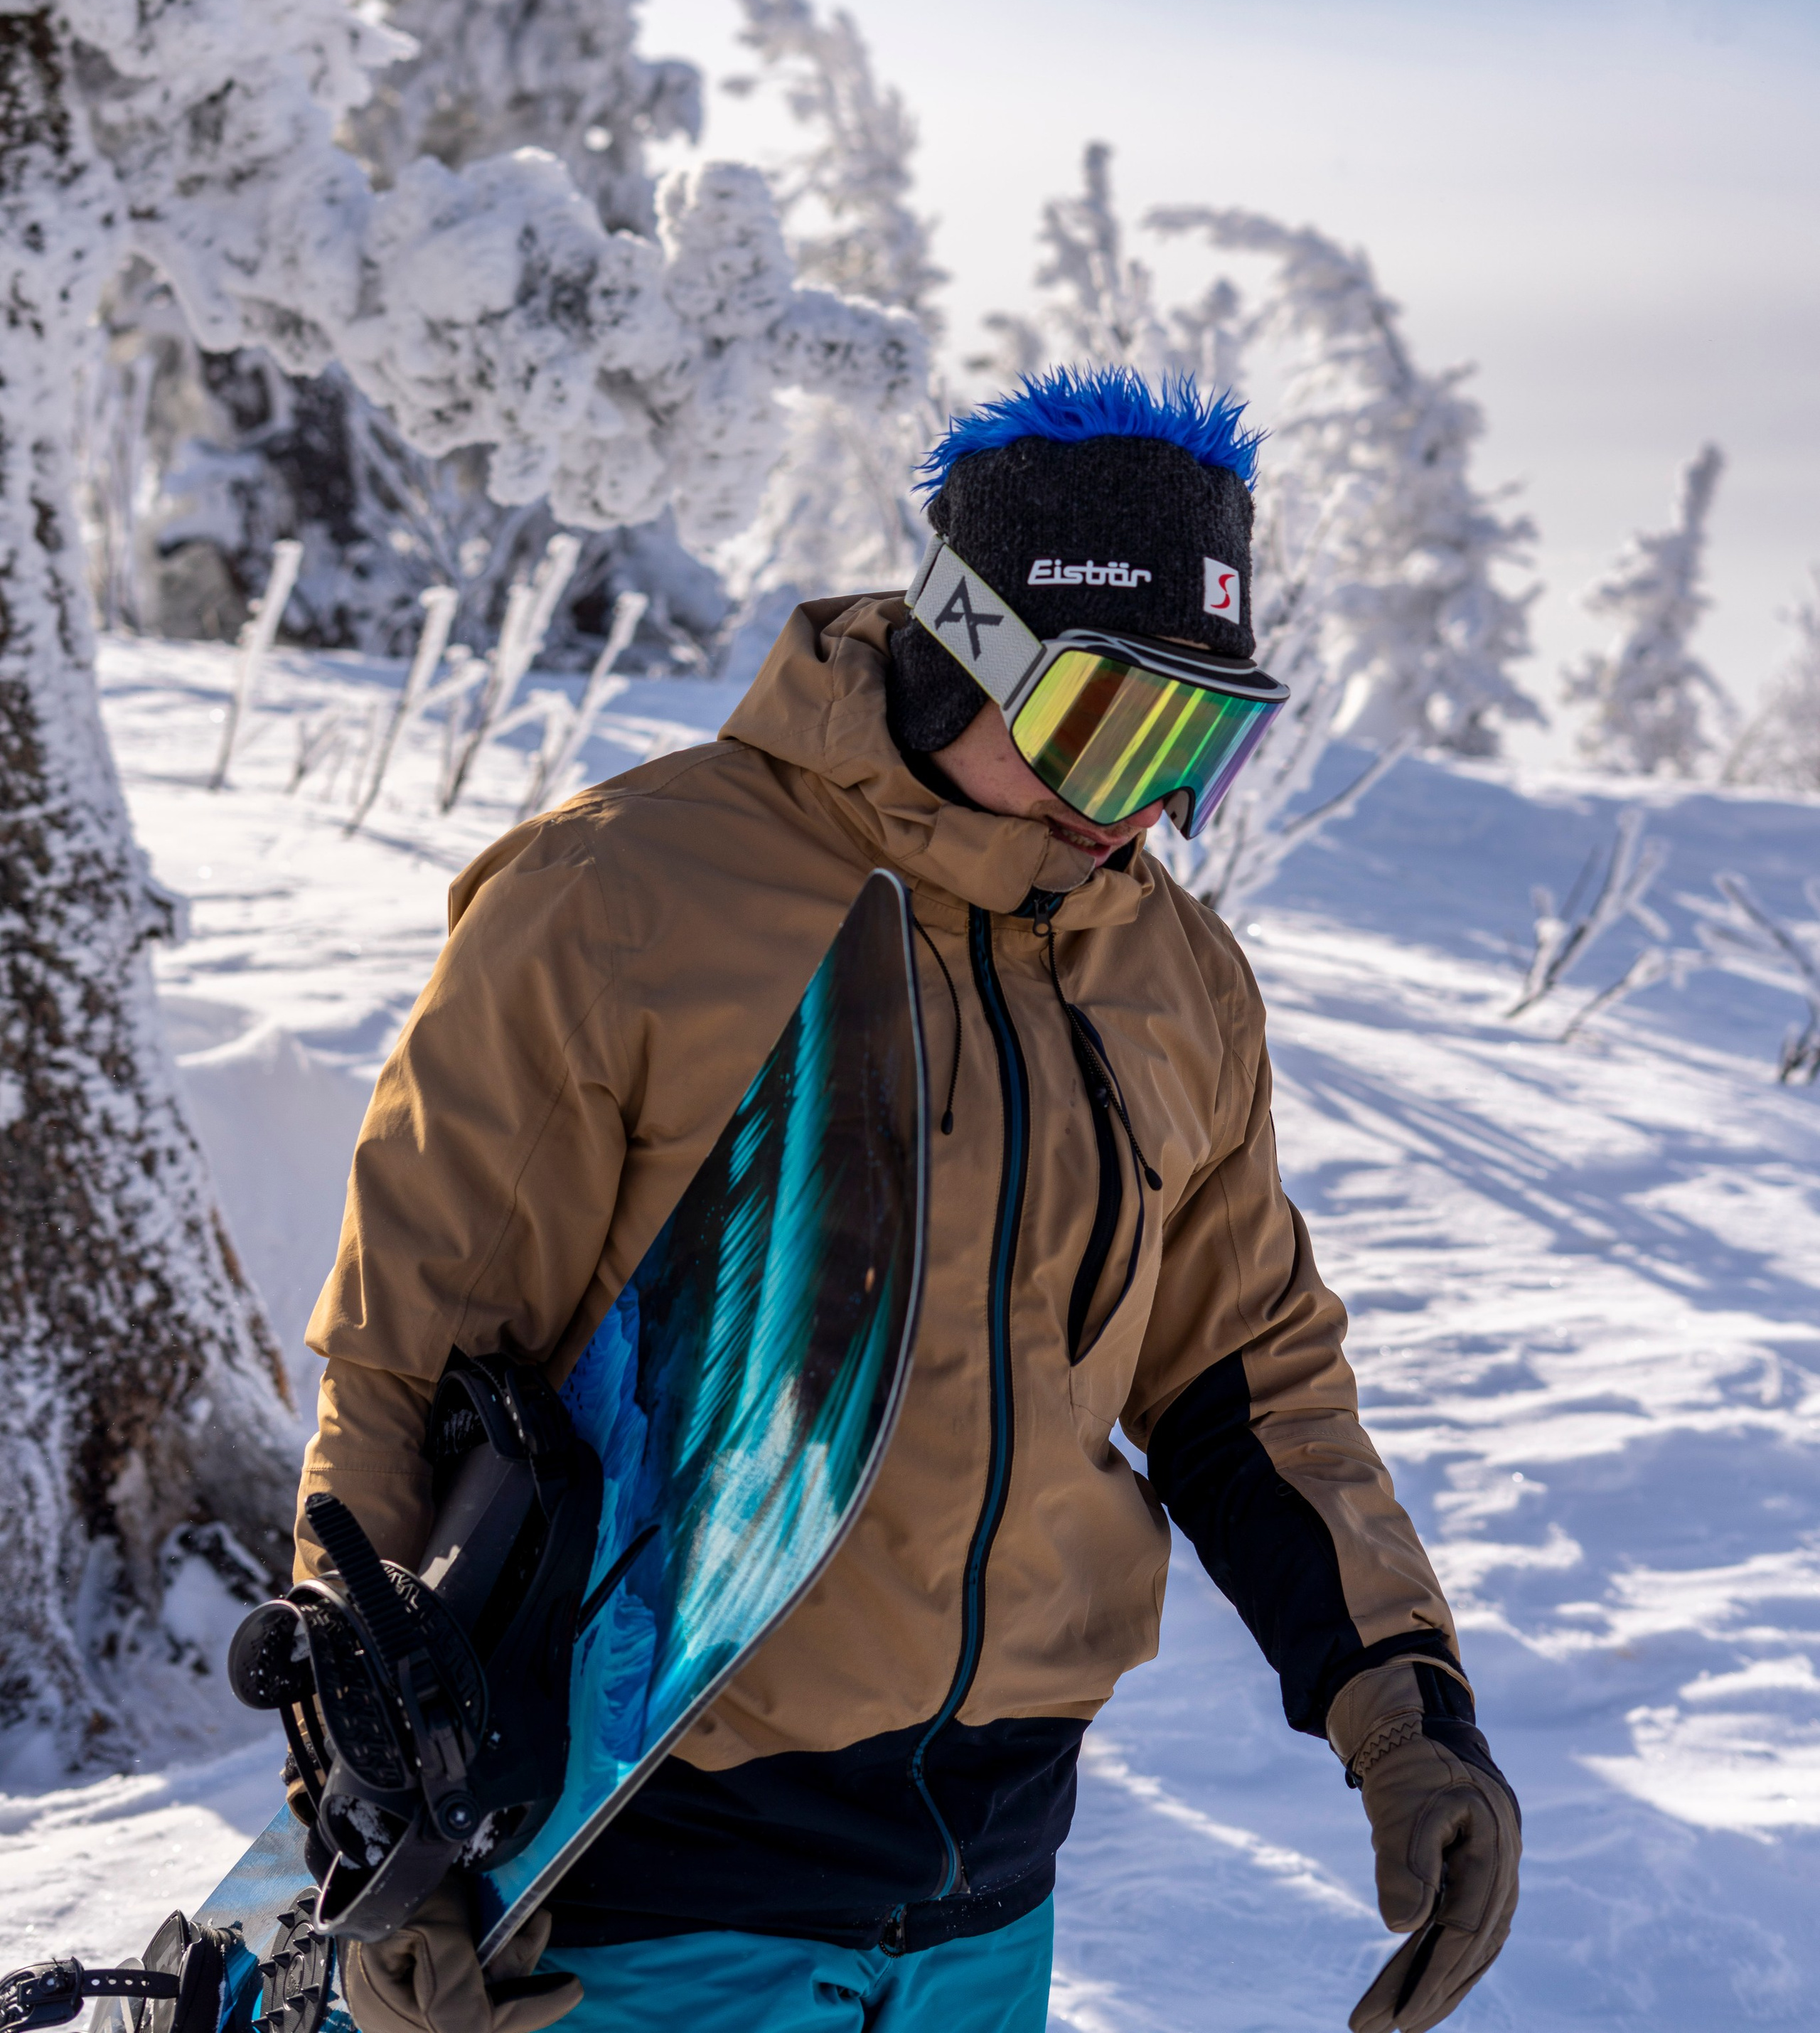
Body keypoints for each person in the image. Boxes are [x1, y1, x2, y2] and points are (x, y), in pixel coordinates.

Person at [298, 367, 1519, 2033]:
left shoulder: (1170, 974)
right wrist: (380, 1836)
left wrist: (1403, 1708)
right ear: (966, 644)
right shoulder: (620, 898)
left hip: (989, 1882)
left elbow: (1245, 1382)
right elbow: (413, 1374)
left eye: (1195, 745)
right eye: (1107, 725)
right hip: (647, 1881)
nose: (1132, 809)